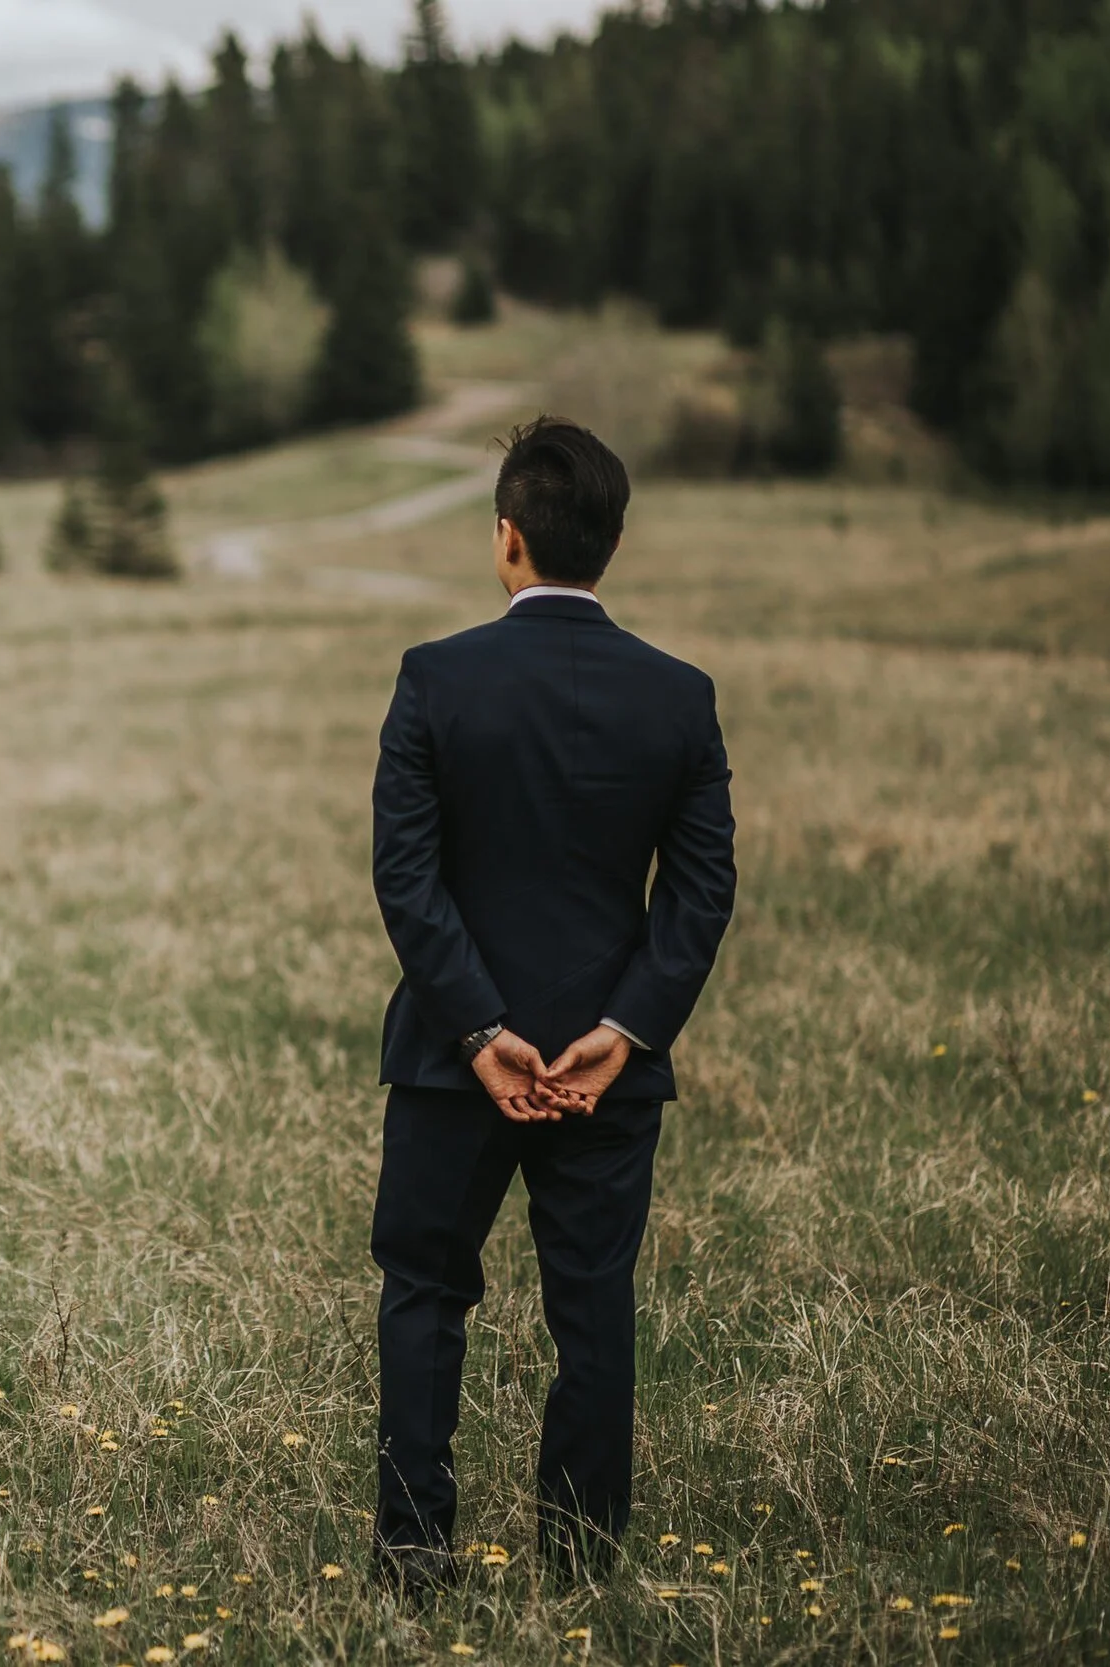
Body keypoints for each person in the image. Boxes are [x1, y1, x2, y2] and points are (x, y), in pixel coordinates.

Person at [367, 417, 735, 1593]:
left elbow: (405, 874)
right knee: (594, 1312)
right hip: (602, 1066)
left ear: (505, 539)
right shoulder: (679, 697)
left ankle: (415, 1558)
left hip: (449, 1057)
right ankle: (580, 1568)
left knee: (425, 1293)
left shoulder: (437, 676)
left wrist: (478, 1028)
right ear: (611, 543)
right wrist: (623, 1030)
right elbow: (701, 886)